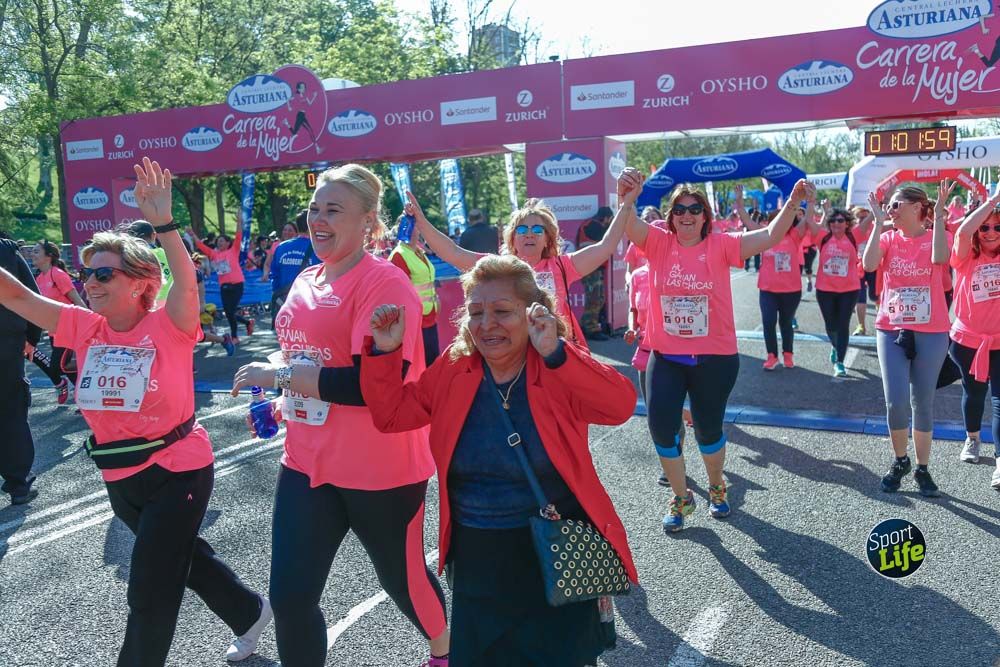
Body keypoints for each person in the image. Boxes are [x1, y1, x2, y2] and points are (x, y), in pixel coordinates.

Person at [0, 158, 271, 663]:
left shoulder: (169, 322)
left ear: (140, 281)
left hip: (179, 470)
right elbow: (13, 294)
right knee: (185, 560)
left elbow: (186, 283)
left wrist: (165, 223)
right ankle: (250, 611)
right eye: (86, 273)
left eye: (103, 273)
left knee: (150, 589)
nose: (90, 282)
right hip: (119, 474)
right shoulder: (85, 326)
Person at [361, 254, 638, 666]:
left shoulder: (555, 365)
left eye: (502, 311)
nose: (486, 323)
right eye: (476, 312)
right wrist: (385, 351)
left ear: (532, 314)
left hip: (553, 550)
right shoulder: (455, 368)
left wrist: (558, 353)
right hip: (478, 557)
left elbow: (619, 406)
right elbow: (392, 416)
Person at [229, 163, 450, 667]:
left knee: (402, 581)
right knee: (289, 597)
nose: (318, 219)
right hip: (306, 462)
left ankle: (445, 651)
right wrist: (279, 401)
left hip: (381, 467)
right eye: (314, 210)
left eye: (334, 210)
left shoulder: (384, 285)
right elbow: (304, 358)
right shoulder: (307, 278)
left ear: (369, 223)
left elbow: (372, 388)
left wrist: (281, 379)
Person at [623, 168, 813, 532]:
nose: (687, 215)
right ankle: (681, 497)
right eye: (680, 209)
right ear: (671, 216)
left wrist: (791, 203)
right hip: (665, 358)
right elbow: (628, 223)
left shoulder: (722, 244)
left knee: (707, 431)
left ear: (705, 216)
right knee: (662, 429)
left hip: (715, 359)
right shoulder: (659, 242)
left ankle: (716, 485)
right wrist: (626, 194)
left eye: (695, 209)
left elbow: (770, 235)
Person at [413, 195, 628, 349]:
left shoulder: (562, 266)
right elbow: (452, 252)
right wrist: (421, 222)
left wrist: (626, 205)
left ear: (547, 240)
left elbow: (606, 246)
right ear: (513, 238)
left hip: (556, 351)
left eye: (537, 230)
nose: (529, 235)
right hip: (511, 355)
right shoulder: (498, 268)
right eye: (522, 230)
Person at [864, 183, 952, 498]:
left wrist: (940, 217)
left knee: (922, 402)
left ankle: (922, 468)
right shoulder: (887, 238)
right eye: (890, 204)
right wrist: (876, 222)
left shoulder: (935, 235)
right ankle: (900, 460)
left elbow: (941, 257)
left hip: (931, 330)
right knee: (895, 401)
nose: (891, 208)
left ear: (917, 207)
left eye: (897, 204)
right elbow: (869, 264)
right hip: (891, 327)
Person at [946, 186, 1000, 490]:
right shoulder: (966, 257)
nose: (990, 232)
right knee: (974, 394)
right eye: (985, 227)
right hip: (968, 341)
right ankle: (972, 439)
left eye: (998, 226)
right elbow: (964, 231)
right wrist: (992, 202)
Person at [804, 201, 874, 378]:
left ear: (847, 223)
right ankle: (835, 346)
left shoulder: (854, 236)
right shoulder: (823, 237)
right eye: (833, 220)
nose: (836, 223)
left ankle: (840, 362)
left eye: (840, 220)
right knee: (830, 324)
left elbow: (870, 219)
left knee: (842, 325)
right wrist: (810, 201)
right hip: (825, 289)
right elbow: (808, 220)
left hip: (849, 289)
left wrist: (881, 202)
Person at [741, 185, 807, 371]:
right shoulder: (765, 236)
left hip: (791, 290)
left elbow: (808, 219)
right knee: (768, 322)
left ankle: (788, 354)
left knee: (786, 323)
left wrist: (808, 201)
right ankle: (772, 356)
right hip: (768, 289)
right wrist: (739, 205)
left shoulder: (795, 235)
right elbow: (748, 223)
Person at [0, 231, 41, 505]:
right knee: (12, 411)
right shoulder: (6, 250)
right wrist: (31, 338)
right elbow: (30, 296)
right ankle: (18, 484)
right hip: (6, 343)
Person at [30, 240, 85, 402]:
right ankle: (84, 397)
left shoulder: (58, 275)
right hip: (54, 331)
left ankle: (81, 395)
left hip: (68, 327)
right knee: (65, 366)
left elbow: (77, 301)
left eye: (36, 251)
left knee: (58, 366)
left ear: (48, 256)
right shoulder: (39, 279)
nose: (32, 254)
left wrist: (91, 321)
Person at [390, 215, 441, 367]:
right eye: (413, 226)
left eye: (416, 226)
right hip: (415, 322)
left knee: (432, 365)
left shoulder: (419, 251)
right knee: (420, 368)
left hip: (430, 317)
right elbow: (398, 294)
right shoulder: (399, 255)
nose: (416, 230)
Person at [194, 222, 253, 343]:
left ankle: (235, 337)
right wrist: (192, 234)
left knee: (231, 311)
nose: (219, 243)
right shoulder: (214, 254)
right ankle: (247, 323)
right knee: (229, 312)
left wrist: (239, 220)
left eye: (222, 241)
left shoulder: (234, 250)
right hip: (224, 286)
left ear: (228, 243)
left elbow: (239, 235)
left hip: (237, 284)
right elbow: (200, 245)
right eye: (218, 241)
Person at [268, 209, 316, 329]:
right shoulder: (318, 248)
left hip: (285, 302)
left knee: (288, 340)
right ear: (312, 224)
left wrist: (279, 294)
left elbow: (274, 274)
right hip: (309, 303)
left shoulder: (281, 247)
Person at [576, 206, 615, 340]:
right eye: (610, 219)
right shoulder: (592, 225)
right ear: (606, 218)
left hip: (593, 267)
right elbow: (607, 237)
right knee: (595, 298)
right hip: (590, 267)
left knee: (597, 298)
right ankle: (590, 328)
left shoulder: (592, 224)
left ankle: (586, 326)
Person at [127, 221, 173, 307]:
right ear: (154, 235)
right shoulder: (167, 253)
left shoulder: (131, 257)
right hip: (169, 301)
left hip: (143, 302)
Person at [852, 207, 879, 336]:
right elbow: (862, 228)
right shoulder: (854, 230)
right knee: (860, 298)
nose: (864, 219)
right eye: (860, 217)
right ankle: (861, 326)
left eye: (866, 216)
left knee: (876, 297)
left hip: (875, 267)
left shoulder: (876, 227)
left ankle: (881, 323)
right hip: (858, 268)